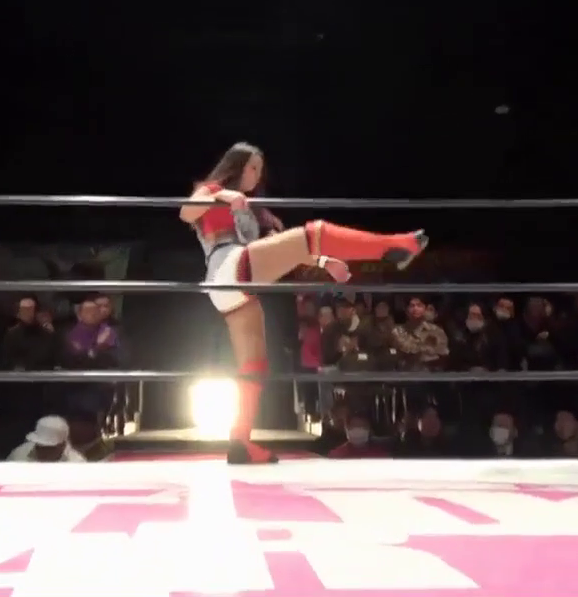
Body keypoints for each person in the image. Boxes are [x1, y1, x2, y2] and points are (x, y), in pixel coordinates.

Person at [180, 141, 428, 464]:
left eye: (260, 169)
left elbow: (282, 252)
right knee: (313, 232)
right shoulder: (211, 190)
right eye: (252, 166)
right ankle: (395, 246)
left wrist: (324, 262)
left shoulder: (254, 211)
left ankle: (240, 441)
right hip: (226, 265)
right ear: (235, 166)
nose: (256, 174)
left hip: (232, 284)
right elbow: (186, 211)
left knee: (255, 364)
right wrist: (225, 196)